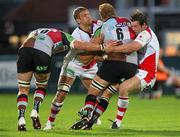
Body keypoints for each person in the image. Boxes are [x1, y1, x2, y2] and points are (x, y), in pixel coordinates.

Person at [16, 28, 103, 131]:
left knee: (23, 89)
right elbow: (78, 45)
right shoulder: (64, 35)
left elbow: (50, 46)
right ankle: (35, 110)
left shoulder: (38, 30)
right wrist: (101, 47)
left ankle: (21, 118)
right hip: (42, 53)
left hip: (24, 51)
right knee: (41, 85)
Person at [88, 9, 160, 129]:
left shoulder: (146, 33)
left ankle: (117, 123)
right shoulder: (138, 33)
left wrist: (111, 49)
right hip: (136, 72)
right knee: (106, 93)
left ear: (144, 25)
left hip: (147, 75)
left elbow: (133, 47)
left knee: (124, 88)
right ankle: (91, 120)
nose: (133, 29)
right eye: (132, 26)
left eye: (136, 26)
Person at [71, 3, 138, 130]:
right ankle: (92, 121)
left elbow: (92, 48)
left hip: (113, 63)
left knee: (93, 91)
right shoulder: (129, 22)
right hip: (132, 66)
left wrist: (100, 51)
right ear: (114, 12)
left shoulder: (102, 27)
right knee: (107, 94)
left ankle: (86, 119)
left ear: (102, 16)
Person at [43, 7, 103, 130]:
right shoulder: (76, 35)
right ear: (78, 20)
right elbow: (83, 59)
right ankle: (50, 121)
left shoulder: (98, 25)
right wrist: (103, 50)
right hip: (74, 64)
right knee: (62, 93)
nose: (89, 16)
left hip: (90, 66)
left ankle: (85, 112)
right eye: (85, 15)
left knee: (99, 94)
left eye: (88, 14)